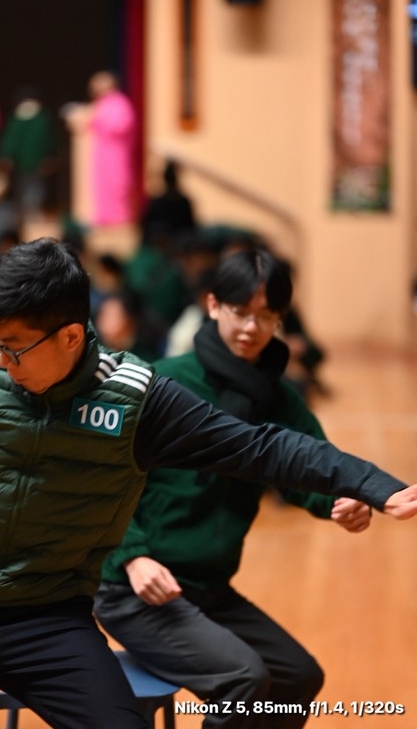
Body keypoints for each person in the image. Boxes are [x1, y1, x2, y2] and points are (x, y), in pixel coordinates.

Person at [0, 238, 417, 729]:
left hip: (47, 622)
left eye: (15, 348)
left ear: (70, 336)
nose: (1, 359)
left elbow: (259, 447)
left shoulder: (135, 400)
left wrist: (371, 483)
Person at [93, 248, 377, 728]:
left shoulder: (278, 397)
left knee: (297, 677)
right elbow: (100, 480)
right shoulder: (163, 382)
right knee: (242, 679)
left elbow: (312, 466)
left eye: (266, 316)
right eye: (240, 311)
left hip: (209, 589)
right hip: (134, 587)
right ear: (212, 305)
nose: (251, 327)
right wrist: (133, 557)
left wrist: (341, 501)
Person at [69, 71, 137, 226]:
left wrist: (99, 122)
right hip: (102, 152)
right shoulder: (100, 103)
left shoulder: (119, 103)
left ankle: (118, 217)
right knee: (101, 185)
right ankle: (104, 216)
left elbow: (122, 125)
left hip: (116, 152)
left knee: (116, 184)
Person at [0, 84, 57, 222]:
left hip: (21, 161)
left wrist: (6, 156)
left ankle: (25, 212)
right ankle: (32, 212)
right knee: (35, 186)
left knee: (23, 186)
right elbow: (48, 140)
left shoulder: (17, 119)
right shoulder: (42, 118)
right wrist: (50, 157)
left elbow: (10, 140)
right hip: (37, 160)